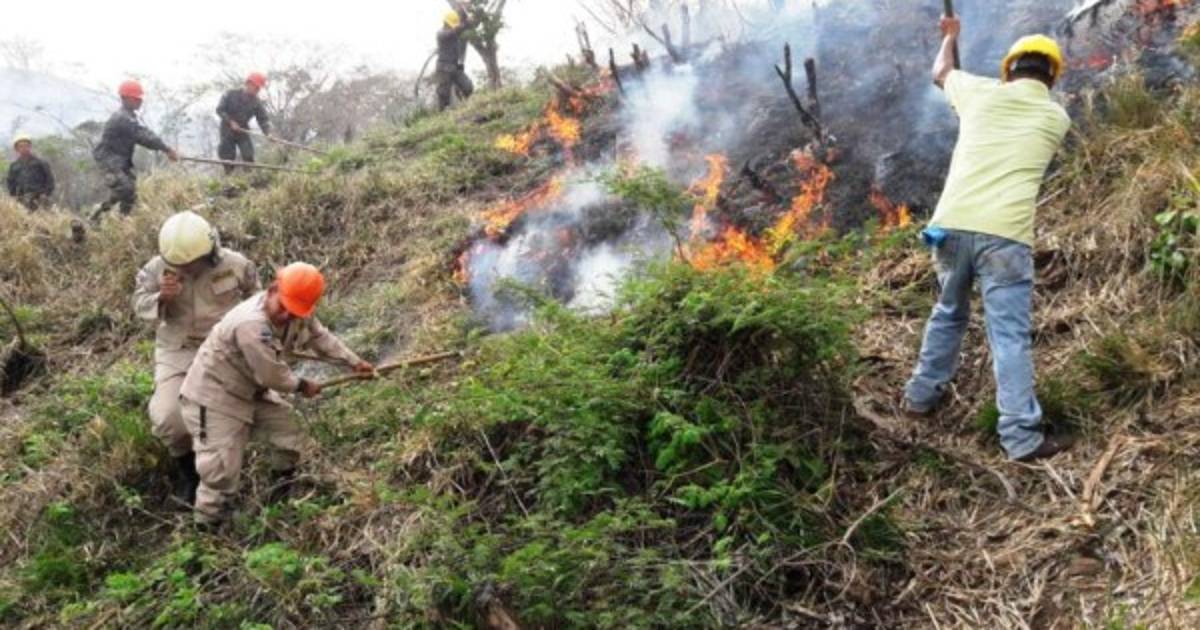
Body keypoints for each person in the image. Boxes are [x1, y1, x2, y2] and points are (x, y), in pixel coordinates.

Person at [902, 17, 1072, 462]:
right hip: (1005, 237)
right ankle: (1020, 438)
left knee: (948, 313)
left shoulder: (977, 92)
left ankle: (919, 398)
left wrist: (950, 36)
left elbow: (941, 72)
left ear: (1009, 68)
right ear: (1052, 77)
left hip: (951, 227)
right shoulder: (1056, 118)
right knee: (1008, 337)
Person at [179, 262, 374, 526]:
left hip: (251, 393)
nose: (285, 316)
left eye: (293, 312)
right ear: (272, 290)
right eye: (282, 307)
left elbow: (320, 338)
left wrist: (354, 363)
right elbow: (271, 374)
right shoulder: (250, 324)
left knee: (291, 433)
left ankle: (276, 500)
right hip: (214, 398)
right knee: (220, 472)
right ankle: (205, 530)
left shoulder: (298, 313)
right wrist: (302, 385)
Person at [133, 211, 259, 506]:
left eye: (191, 264)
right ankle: (189, 474)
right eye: (179, 265)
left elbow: (258, 299)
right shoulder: (155, 269)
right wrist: (161, 298)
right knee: (168, 418)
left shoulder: (236, 264)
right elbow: (138, 303)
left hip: (224, 348)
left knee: (239, 409)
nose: (186, 269)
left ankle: (228, 468)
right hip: (178, 349)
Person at [91, 80, 179, 221]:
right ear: (125, 98)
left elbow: (143, 134)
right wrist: (167, 149)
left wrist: (166, 149)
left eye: (140, 98)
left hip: (121, 161)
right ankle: (103, 217)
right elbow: (143, 136)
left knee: (129, 193)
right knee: (126, 189)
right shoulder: (122, 118)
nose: (140, 101)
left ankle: (114, 218)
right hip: (109, 160)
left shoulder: (129, 116)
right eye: (136, 98)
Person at [216, 73, 271, 174]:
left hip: (242, 130)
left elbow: (263, 119)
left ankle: (250, 177)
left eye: (259, 88)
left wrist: (268, 133)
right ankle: (229, 176)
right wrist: (230, 122)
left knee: (248, 155)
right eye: (256, 87)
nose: (257, 90)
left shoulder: (256, 102)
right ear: (248, 84)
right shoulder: (230, 94)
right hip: (227, 130)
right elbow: (220, 110)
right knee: (227, 157)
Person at [435, 7, 476, 111]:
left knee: (468, 87)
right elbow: (454, 31)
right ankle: (442, 115)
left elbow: (461, 28)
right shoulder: (441, 34)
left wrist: (469, 22)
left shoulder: (454, 31)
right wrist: (465, 23)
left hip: (455, 67)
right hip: (444, 68)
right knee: (443, 95)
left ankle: (464, 107)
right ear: (446, 23)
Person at [5, 135, 55, 210]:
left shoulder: (40, 163)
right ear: (16, 149)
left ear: (30, 147)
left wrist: (45, 194)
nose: (24, 148)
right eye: (21, 146)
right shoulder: (14, 166)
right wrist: (14, 196)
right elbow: (10, 183)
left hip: (39, 199)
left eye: (26, 146)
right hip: (22, 201)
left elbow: (50, 180)